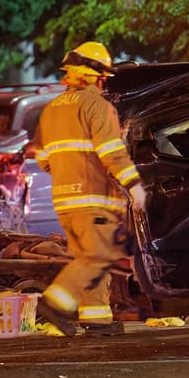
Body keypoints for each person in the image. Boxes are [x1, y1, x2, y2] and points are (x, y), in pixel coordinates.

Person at [36, 42, 147, 336]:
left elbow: (43, 159)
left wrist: (68, 172)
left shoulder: (50, 110)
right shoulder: (96, 106)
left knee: (89, 260)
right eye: (103, 78)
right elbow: (111, 153)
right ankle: (54, 304)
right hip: (93, 198)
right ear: (94, 75)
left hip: (65, 201)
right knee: (98, 257)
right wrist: (133, 184)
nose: (104, 83)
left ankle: (96, 320)